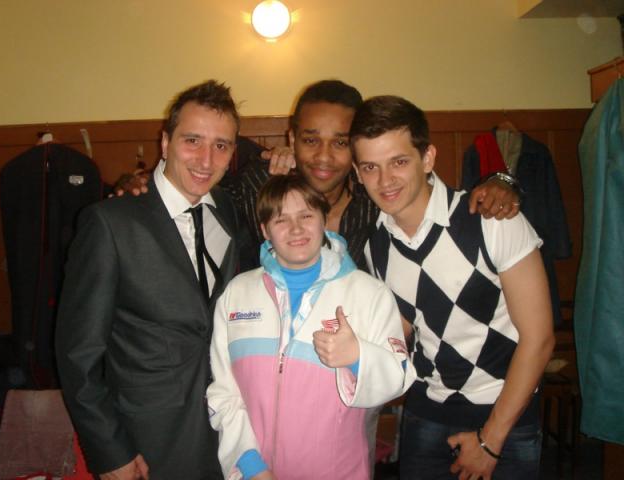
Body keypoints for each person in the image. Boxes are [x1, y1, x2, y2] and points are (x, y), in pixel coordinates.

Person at [350, 95, 555, 479]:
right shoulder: (375, 244)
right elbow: (403, 330)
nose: (385, 180)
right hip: (426, 414)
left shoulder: (492, 220)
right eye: (370, 167)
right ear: (358, 173)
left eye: (399, 162)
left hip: (504, 417)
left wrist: (490, 441)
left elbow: (539, 339)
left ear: (427, 158)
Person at [118, 80, 521, 269]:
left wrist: (500, 182)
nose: (324, 157)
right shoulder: (258, 185)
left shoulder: (377, 197)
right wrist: (138, 185)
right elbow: (196, 187)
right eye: (311, 140)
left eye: (340, 142)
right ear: (292, 139)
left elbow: (426, 191)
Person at [56, 80, 242, 479]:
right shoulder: (110, 224)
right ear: (165, 142)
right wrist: (109, 451)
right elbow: (78, 355)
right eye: (192, 140)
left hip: (228, 433)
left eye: (221, 145)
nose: (206, 159)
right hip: (146, 441)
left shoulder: (228, 210)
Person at [206, 174, 413, 480]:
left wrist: (358, 356)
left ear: (323, 220)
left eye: (306, 216)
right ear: (265, 230)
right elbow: (224, 393)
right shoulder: (237, 294)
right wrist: (251, 467)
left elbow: (400, 377)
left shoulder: (369, 294)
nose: (296, 229)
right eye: (281, 220)